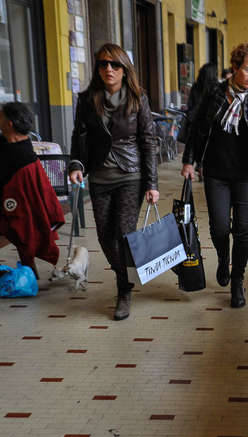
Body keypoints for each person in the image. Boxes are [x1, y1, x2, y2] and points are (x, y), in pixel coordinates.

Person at [181, 42, 248, 308]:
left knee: (243, 230)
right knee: (219, 227)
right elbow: (197, 128)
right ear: (235, 67)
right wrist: (189, 161)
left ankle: (238, 281)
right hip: (216, 171)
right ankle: (223, 257)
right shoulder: (215, 92)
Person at [69, 43, 159, 321]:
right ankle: (126, 276)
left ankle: (124, 290)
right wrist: (76, 164)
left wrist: (152, 182)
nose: (109, 69)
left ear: (124, 69)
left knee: (123, 233)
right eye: (103, 64)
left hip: (130, 174)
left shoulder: (137, 98)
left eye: (115, 64)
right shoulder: (87, 99)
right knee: (105, 238)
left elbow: (148, 140)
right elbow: (79, 135)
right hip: (99, 176)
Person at [0, 102, 64, 279]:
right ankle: (29, 269)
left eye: (1, 117)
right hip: (16, 203)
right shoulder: (19, 144)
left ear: (9, 124)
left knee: (21, 225)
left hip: (16, 204)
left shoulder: (15, 154)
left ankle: (29, 270)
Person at [178, 62, 219, 145]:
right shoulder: (216, 89)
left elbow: (190, 105)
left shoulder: (196, 86)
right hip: (210, 129)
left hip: (194, 126)